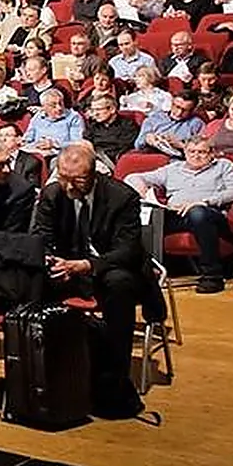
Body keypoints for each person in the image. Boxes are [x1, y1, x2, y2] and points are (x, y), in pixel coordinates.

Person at [32, 143, 157, 412]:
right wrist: (51, 261)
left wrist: (86, 265)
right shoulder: (53, 193)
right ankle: (42, 375)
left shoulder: (122, 197)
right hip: (69, 265)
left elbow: (127, 250)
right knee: (29, 280)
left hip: (110, 266)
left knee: (118, 284)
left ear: (93, 174)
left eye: (76, 180)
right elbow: (41, 236)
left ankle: (114, 380)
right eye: (63, 177)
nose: (68, 186)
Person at [124, 137, 233, 294]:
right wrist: (143, 192)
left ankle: (212, 276)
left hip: (210, 214)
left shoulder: (224, 166)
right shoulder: (173, 169)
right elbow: (132, 177)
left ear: (212, 154)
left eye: (201, 152)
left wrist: (203, 202)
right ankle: (144, 273)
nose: (196, 156)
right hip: (176, 214)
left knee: (197, 213)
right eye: (191, 152)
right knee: (145, 217)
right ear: (185, 152)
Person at [134, 90, 207, 158]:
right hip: (151, 155)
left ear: (192, 110)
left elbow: (203, 150)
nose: (179, 113)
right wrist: (147, 138)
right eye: (177, 107)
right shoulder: (155, 118)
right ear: (171, 104)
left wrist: (181, 145)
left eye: (185, 110)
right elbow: (138, 144)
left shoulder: (197, 124)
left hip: (177, 160)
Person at [23, 89, 85, 158]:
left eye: (61, 103)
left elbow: (77, 144)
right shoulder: (38, 117)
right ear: (44, 107)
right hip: (37, 154)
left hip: (61, 156)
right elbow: (28, 139)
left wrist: (54, 144)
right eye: (53, 105)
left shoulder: (73, 117)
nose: (59, 108)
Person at [83, 92, 140, 166]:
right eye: (93, 110)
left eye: (98, 109)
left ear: (112, 109)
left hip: (115, 162)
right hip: (93, 159)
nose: (95, 114)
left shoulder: (128, 125)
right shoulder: (93, 125)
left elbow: (124, 150)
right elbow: (85, 142)